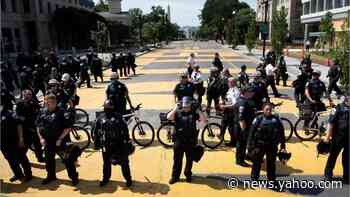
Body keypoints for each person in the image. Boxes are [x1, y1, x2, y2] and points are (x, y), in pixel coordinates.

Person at [35, 94, 79, 185]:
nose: (46, 105)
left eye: (48, 103)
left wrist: (60, 139)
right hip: (48, 142)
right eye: (45, 103)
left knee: (67, 160)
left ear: (54, 103)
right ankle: (51, 176)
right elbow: (38, 126)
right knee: (48, 160)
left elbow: (67, 128)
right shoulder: (42, 112)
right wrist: (41, 138)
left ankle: (74, 177)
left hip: (60, 142)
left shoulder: (62, 112)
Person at [167, 96, 206, 184]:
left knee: (189, 160)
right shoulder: (177, 112)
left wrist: (199, 111)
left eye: (187, 106)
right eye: (184, 106)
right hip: (179, 141)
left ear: (190, 106)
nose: (186, 108)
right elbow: (168, 117)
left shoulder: (194, 113)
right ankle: (175, 176)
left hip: (190, 141)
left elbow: (203, 121)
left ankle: (188, 174)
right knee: (177, 160)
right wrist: (175, 108)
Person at [94, 100, 133, 187]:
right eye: (106, 108)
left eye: (108, 108)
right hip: (106, 145)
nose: (106, 109)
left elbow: (125, 130)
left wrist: (127, 140)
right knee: (106, 163)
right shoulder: (100, 118)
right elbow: (96, 131)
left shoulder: (118, 117)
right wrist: (97, 143)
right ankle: (105, 179)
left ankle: (128, 179)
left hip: (119, 145)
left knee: (124, 163)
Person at [247, 103, 286, 181]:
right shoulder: (258, 119)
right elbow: (251, 133)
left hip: (272, 146)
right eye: (267, 109)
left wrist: (283, 146)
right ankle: (254, 178)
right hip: (259, 145)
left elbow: (282, 133)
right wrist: (249, 146)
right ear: (263, 110)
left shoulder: (276, 120)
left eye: (270, 109)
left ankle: (271, 178)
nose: (269, 111)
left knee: (271, 163)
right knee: (257, 162)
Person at [1, 105, 32, 182]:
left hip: (14, 141)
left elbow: (19, 125)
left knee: (21, 157)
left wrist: (21, 139)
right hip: (3, 143)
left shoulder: (10, 113)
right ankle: (18, 174)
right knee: (10, 160)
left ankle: (28, 174)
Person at [323, 92, 349, 184]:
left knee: (347, 158)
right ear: (347, 97)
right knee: (333, 155)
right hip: (338, 137)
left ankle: (347, 176)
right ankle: (328, 174)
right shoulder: (337, 108)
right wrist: (327, 138)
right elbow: (331, 123)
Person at [16, 90, 43, 162]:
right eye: (27, 95)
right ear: (23, 95)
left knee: (37, 143)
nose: (29, 96)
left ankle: (40, 157)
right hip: (25, 128)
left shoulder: (33, 102)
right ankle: (20, 158)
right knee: (26, 145)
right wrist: (26, 120)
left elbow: (39, 109)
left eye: (30, 95)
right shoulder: (20, 104)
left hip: (34, 126)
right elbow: (18, 117)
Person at [234, 85, 255, 167]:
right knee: (241, 144)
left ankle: (242, 157)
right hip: (241, 127)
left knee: (242, 144)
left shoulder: (241, 100)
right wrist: (244, 130)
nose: (251, 93)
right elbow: (241, 118)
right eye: (250, 92)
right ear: (245, 93)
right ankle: (240, 160)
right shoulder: (243, 102)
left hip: (242, 126)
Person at [219, 78, 240, 147]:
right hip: (227, 110)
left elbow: (234, 104)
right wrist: (223, 102)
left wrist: (225, 106)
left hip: (231, 111)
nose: (228, 83)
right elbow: (228, 98)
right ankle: (222, 135)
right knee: (224, 124)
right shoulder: (230, 89)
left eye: (229, 82)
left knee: (231, 127)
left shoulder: (235, 91)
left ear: (233, 83)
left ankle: (233, 141)